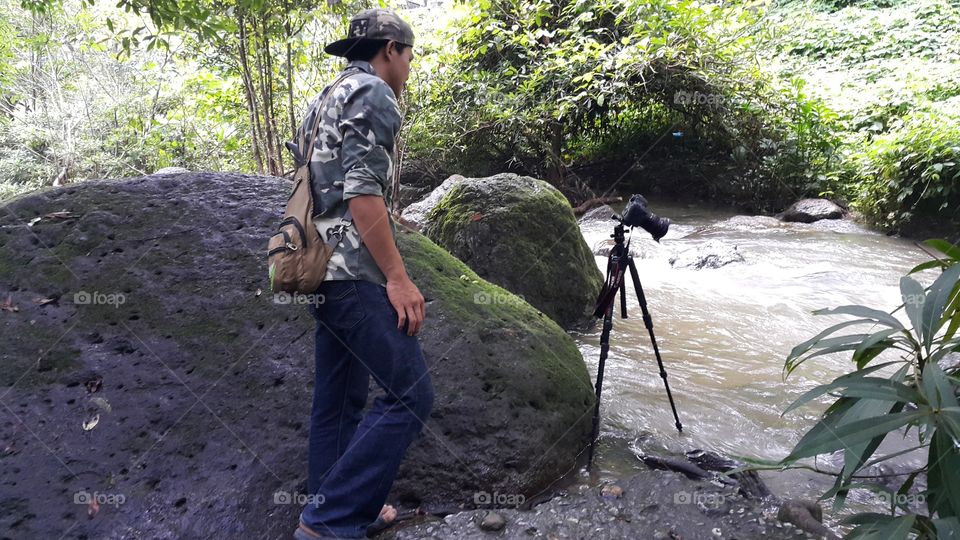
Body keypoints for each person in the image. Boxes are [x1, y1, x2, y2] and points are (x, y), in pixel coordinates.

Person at [292, 8, 434, 540]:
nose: (410, 65)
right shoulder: (375, 94)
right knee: (411, 395)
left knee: (340, 400)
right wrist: (398, 277)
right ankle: (327, 522)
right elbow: (362, 192)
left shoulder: (325, 97)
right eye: (410, 54)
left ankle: (336, 508)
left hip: (319, 268)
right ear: (390, 49)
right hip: (354, 272)